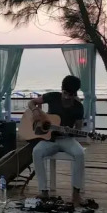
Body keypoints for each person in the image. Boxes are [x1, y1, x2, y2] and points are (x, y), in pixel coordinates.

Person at [28, 75, 86, 206]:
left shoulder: (78, 107)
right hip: (49, 139)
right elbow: (31, 102)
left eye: (71, 95)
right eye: (65, 93)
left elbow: (79, 128)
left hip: (66, 139)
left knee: (79, 153)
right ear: (62, 89)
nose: (67, 97)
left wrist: (71, 131)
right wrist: (35, 110)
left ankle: (76, 194)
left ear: (75, 94)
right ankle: (43, 191)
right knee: (36, 151)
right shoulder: (52, 96)